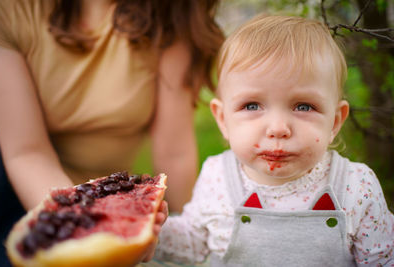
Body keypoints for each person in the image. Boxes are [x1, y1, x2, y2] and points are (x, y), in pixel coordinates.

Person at [152, 14, 394, 266]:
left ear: (334, 122)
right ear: (223, 120)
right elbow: (194, 242)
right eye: (252, 105)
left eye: (303, 106)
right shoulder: (217, 176)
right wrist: (153, 231)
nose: (278, 129)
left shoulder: (356, 186)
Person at [0, 0, 224, 266]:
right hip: (21, 189)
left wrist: (187, 235)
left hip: (114, 198)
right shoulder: (7, 9)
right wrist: (77, 224)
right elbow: (27, 152)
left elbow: (175, 153)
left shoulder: (171, 15)